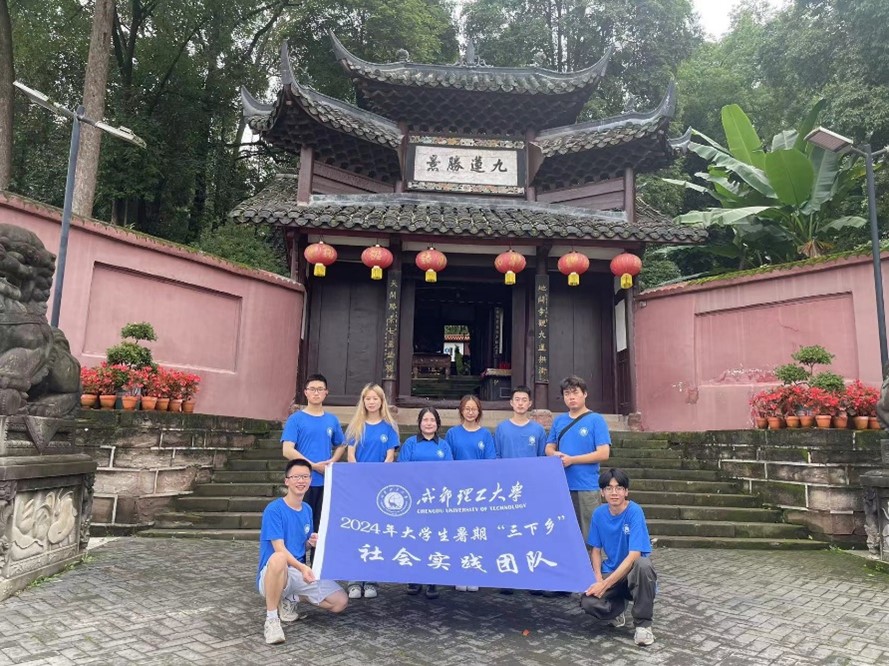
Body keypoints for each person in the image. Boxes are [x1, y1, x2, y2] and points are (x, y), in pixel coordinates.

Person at [256, 459, 348, 645]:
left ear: (310, 480)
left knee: (340, 602)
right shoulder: (274, 510)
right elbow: (280, 549)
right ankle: (272, 620)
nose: (301, 481)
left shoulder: (307, 509)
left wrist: (309, 543)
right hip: (275, 573)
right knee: (279, 558)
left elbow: (300, 546)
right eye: (296, 477)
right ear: (287, 481)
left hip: (297, 573)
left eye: (305, 476)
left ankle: (290, 598)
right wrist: (303, 567)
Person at [581, 468, 657, 647]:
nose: (614, 492)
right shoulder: (599, 514)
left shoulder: (634, 511)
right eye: (608, 488)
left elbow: (634, 555)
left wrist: (605, 584)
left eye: (619, 488)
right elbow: (595, 550)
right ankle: (617, 609)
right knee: (587, 602)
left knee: (643, 564)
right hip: (611, 570)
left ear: (626, 491)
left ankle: (643, 626)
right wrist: (598, 578)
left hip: (633, 574)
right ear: (602, 492)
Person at [344, 383, 400, 601]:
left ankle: (371, 579)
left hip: (379, 488)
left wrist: (377, 477)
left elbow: (390, 457)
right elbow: (350, 456)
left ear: (381, 401)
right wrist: (361, 476)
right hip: (358, 487)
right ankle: (354, 580)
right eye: (368, 398)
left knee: (375, 532)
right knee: (357, 531)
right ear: (363, 401)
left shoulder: (389, 427)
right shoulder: (356, 426)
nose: (371, 402)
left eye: (375, 398)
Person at [545, 375, 611, 544]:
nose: (571, 397)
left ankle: (592, 562)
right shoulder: (559, 421)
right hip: (562, 485)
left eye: (575, 393)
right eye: (567, 394)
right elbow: (549, 447)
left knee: (590, 536)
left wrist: (573, 460)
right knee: (565, 534)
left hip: (586, 486)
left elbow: (604, 453)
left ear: (585, 394)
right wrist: (555, 454)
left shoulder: (596, 420)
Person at [281, 374, 346, 540]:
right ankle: (297, 556)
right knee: (300, 525)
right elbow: (287, 450)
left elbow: (342, 444)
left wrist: (332, 461)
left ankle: (317, 557)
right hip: (302, 482)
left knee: (321, 526)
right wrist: (312, 466)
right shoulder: (296, 419)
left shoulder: (332, 420)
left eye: (320, 389)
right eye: (312, 389)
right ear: (305, 392)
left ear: (326, 392)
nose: (316, 393)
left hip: (325, 482)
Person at [397, 407, 453, 599]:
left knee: (434, 539)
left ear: (438, 424)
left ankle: (432, 580)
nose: (429, 423)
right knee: (414, 538)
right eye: (425, 420)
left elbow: (450, 471)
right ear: (419, 423)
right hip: (414, 499)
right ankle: (414, 578)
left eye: (432, 420)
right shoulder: (410, 443)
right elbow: (402, 469)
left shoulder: (444, 446)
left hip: (437, 500)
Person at [445, 394, 495, 592]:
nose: (470, 412)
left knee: (476, 532)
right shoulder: (452, 434)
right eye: (467, 409)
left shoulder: (485, 435)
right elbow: (447, 461)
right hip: (457, 490)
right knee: (459, 532)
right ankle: (459, 572)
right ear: (461, 411)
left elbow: (490, 462)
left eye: (474, 409)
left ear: (479, 411)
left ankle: (474, 571)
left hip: (478, 491)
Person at [494, 385, 547, 459]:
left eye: (524, 400)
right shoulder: (501, 428)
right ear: (511, 402)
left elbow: (542, 457)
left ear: (530, 403)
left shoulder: (538, 429)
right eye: (517, 400)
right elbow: (496, 455)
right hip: (507, 466)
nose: (520, 403)